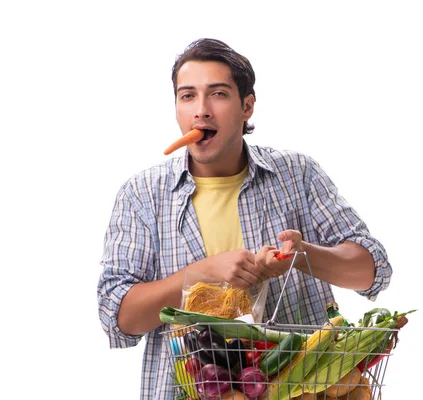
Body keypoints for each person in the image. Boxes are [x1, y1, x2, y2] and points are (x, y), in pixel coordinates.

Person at [97, 38, 393, 399]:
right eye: (187, 96)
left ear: (247, 107)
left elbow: (372, 270)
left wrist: (302, 255)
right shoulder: (143, 194)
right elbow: (119, 317)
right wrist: (200, 275)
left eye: (218, 94)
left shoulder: (297, 175)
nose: (201, 111)